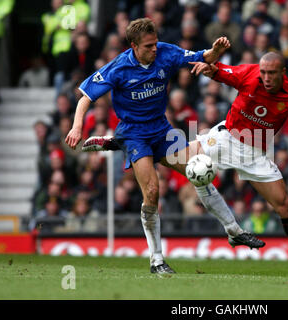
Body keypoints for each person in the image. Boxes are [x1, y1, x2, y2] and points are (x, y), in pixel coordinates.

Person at [86, 51, 288, 274]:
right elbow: (218, 70)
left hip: (257, 153)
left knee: (285, 205)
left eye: (271, 73)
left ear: (283, 73)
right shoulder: (248, 74)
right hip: (226, 138)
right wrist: (208, 68)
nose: (266, 77)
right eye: (263, 72)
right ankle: (119, 141)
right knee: (179, 158)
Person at [65, 18, 264, 274]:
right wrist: (76, 127)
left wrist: (216, 50)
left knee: (198, 171)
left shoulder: (166, 52)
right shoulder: (118, 67)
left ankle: (234, 231)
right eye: (148, 46)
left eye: (155, 43)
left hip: (161, 129)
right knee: (152, 190)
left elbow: (205, 56)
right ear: (134, 46)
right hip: (135, 134)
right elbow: (85, 97)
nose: (154, 49)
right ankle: (157, 260)